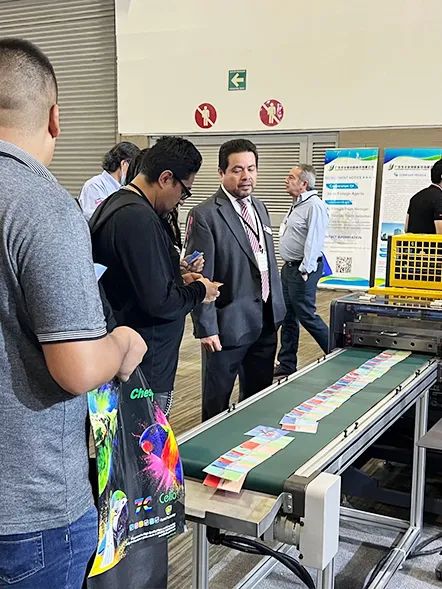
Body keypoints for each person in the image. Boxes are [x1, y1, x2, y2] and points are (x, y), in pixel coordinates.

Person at [0, 38, 146, 588]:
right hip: (28, 516)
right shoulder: (40, 204)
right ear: (55, 117)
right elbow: (77, 368)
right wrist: (122, 343)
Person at [185, 138, 286, 421]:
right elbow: (199, 276)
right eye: (237, 170)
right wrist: (206, 327)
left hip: (266, 320)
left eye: (251, 169)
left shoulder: (260, 207)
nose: (246, 177)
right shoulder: (205, 215)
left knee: (258, 401)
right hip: (227, 326)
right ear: (221, 173)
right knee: (216, 404)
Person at [274, 164, 329, 378]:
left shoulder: (314, 205)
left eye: (291, 177)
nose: (286, 180)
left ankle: (335, 351)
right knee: (288, 316)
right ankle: (287, 363)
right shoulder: (297, 204)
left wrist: (305, 270)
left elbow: (314, 240)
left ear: (304, 183)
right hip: (289, 268)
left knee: (306, 315)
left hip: (302, 269)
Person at [78, 141, 140, 220]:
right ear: (124, 164)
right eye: (133, 168)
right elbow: (95, 219)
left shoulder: (124, 188)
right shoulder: (94, 186)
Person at [405, 158, 442, 234]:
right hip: (432, 242)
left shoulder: (415, 197)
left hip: (413, 241)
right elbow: (440, 234)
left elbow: (406, 228)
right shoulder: (440, 198)